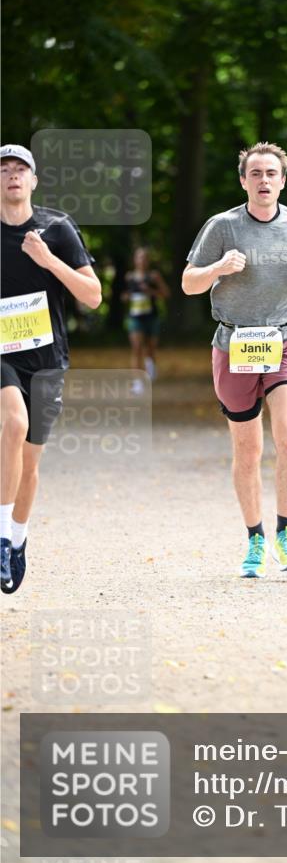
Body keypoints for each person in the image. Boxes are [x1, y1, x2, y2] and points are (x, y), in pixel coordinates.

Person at [182, 142, 287, 578]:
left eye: (271, 173)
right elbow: (188, 284)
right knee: (247, 449)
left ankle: (286, 531)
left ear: (283, 180)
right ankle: (256, 539)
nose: (264, 181)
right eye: (255, 173)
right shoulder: (222, 226)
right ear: (243, 181)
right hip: (234, 345)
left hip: (285, 340)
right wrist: (218, 268)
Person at [1, 143, 102, 592]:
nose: (12, 175)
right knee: (12, 423)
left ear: (34, 180)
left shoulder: (57, 228)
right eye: (3, 169)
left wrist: (48, 260)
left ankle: (18, 537)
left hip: (47, 358)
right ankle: (2, 536)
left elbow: (93, 295)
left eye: (20, 168)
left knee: (29, 457)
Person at [122, 247, 169, 390]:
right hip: (135, 318)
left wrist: (151, 291)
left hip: (151, 317)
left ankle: (151, 371)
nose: (142, 260)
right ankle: (137, 381)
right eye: (139, 257)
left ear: (148, 261)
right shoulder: (129, 277)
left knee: (150, 349)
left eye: (144, 257)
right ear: (134, 260)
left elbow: (166, 294)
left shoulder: (154, 276)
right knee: (136, 348)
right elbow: (123, 296)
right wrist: (127, 297)